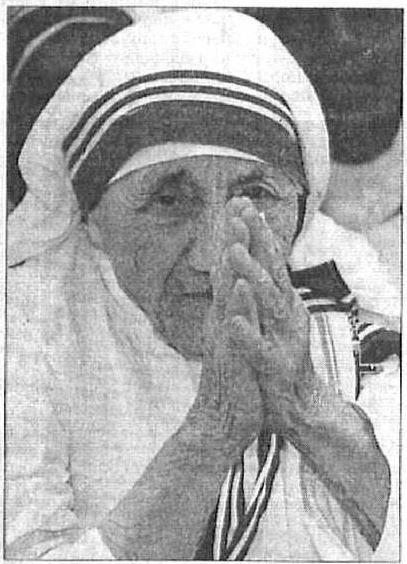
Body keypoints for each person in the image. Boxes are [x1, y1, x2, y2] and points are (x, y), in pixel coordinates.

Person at [6, 9, 400, 560]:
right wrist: (212, 433)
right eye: (169, 200)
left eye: (256, 195)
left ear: (299, 207)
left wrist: (306, 405)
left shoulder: (350, 284)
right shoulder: (25, 323)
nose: (214, 256)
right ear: (94, 219)